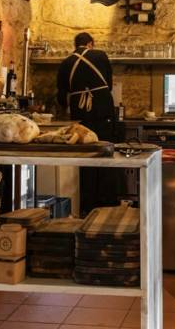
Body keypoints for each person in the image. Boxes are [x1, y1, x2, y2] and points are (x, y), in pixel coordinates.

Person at [56, 32, 117, 216]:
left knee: (84, 155)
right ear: (91, 43)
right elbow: (109, 84)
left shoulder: (66, 63)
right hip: (102, 110)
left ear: (75, 45)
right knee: (105, 152)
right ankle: (106, 201)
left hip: (80, 114)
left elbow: (61, 95)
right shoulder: (100, 55)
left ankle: (86, 204)